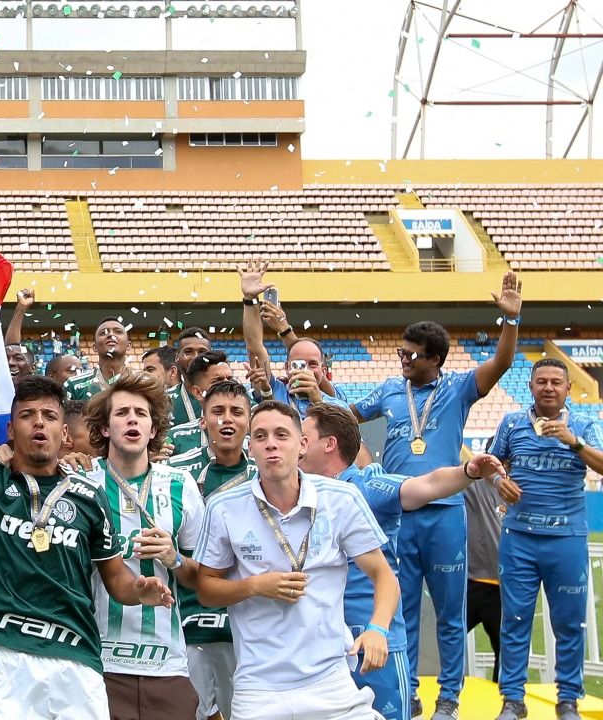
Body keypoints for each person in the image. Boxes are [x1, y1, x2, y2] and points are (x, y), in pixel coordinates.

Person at [0, 281, 174, 719]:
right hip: (6, 650)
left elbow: (115, 580)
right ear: (10, 430)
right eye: (27, 415)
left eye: (50, 416)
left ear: (64, 432)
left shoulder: (89, 495)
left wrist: (140, 589)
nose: (39, 423)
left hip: (78, 657)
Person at [349, 272, 522, 720]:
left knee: (450, 612)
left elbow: (501, 365)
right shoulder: (390, 388)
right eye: (401, 352)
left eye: (411, 355)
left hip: (446, 513)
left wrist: (511, 321)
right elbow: (348, 416)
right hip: (399, 515)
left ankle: (449, 698)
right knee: (399, 611)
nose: (403, 359)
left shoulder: (459, 388)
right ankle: (408, 695)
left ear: (436, 359)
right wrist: (313, 388)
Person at [299, 402, 508, 720]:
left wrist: (468, 471)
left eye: (303, 438)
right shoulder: (299, 496)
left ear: (329, 444)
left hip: (370, 640)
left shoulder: (366, 487)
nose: (295, 447)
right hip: (319, 642)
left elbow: (425, 484)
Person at [194, 400, 398, 720]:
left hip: (330, 681)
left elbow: (383, 575)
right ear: (251, 447)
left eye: (281, 435)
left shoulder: (340, 499)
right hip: (258, 688)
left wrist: (378, 629)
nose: (271, 444)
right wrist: (255, 586)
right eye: (260, 436)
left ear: (302, 444)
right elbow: (205, 589)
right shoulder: (223, 507)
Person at [81, 372, 204, 719]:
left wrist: (174, 558)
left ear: (153, 430)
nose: (132, 418)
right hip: (98, 660)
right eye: (121, 413)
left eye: (141, 413)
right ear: (105, 429)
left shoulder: (181, 485)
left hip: (166, 665)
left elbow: (204, 577)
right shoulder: (80, 485)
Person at [488, 359, 603, 720]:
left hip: (566, 537)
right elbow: (490, 463)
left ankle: (568, 699)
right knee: (516, 620)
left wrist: (575, 443)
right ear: (531, 387)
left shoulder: (583, 424)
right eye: (541, 381)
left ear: (569, 389)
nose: (549, 387)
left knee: (569, 622)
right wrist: (497, 482)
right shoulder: (511, 423)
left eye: (556, 382)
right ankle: (512, 700)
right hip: (519, 538)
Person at [166, 380, 255, 720]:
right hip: (187, 619)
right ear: (202, 420)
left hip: (245, 624)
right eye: (217, 412)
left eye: (236, 412)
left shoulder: (266, 473)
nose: (226, 420)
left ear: (248, 420)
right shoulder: (176, 471)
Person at [239, 262, 342, 416]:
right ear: (287, 368)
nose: (304, 369)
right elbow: (255, 348)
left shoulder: (338, 402)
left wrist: (317, 400)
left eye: (312, 364)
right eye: (297, 364)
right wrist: (250, 298)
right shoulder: (275, 390)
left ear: (324, 370)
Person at [463, 480, 503, 682]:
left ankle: (505, 700)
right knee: (449, 638)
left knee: (506, 650)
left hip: (503, 588)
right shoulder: (475, 484)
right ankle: (449, 694)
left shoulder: (519, 487)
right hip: (471, 582)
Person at [65, 318, 133, 402]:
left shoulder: (145, 383)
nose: (111, 335)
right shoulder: (73, 385)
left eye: (118, 332)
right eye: (103, 332)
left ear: (128, 345)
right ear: (95, 347)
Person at [171, 328, 213, 427]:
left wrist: (257, 387)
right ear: (177, 358)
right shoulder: (164, 400)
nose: (195, 357)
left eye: (202, 351)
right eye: (188, 352)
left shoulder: (228, 395)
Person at [140, 346, 182, 425]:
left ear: (172, 372)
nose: (144, 375)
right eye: (144, 371)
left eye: (150, 370)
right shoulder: (144, 401)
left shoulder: (196, 401)